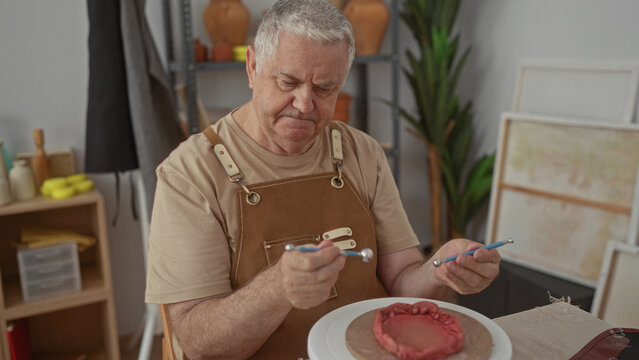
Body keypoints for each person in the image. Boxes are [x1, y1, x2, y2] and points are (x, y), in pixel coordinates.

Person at [145, 0, 500, 359]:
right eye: (288, 82)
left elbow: (403, 280)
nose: (304, 104)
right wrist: (277, 288)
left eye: (325, 89)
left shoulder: (362, 153)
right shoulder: (189, 174)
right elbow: (198, 342)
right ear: (253, 67)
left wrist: (441, 269)